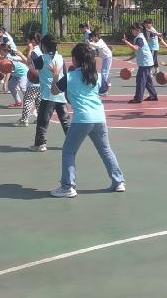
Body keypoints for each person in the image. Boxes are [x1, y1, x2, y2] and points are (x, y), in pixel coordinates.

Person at [49, 43, 126, 198]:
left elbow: (54, 90)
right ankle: (119, 182)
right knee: (105, 150)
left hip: (82, 119)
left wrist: (56, 74)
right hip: (99, 118)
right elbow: (104, 89)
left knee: (69, 152)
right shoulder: (97, 76)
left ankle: (68, 186)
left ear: (75, 60)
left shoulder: (70, 77)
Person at [31, 34, 70, 152]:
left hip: (48, 95)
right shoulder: (61, 58)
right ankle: (72, 142)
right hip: (60, 94)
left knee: (42, 121)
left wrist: (31, 50)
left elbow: (30, 62)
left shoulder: (42, 59)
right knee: (65, 121)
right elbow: (65, 74)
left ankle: (40, 144)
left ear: (44, 46)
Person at [121, 23, 158, 103]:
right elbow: (137, 52)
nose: (132, 31)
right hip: (147, 62)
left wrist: (126, 41)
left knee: (140, 80)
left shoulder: (139, 39)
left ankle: (138, 98)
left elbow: (135, 49)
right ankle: (153, 96)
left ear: (137, 30)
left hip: (145, 63)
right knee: (147, 81)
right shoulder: (140, 37)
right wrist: (128, 59)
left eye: (133, 30)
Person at [15, 33, 42, 127]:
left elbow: (28, 62)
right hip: (40, 79)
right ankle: (40, 119)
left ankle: (24, 120)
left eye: (28, 40)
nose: (27, 42)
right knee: (38, 101)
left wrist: (24, 52)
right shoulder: (40, 50)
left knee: (28, 100)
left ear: (32, 41)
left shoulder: (34, 51)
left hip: (34, 79)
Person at [0, 43, 28, 108]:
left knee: (22, 87)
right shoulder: (5, 57)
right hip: (16, 74)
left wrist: (5, 83)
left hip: (23, 73)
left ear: (4, 51)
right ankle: (18, 102)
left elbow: (8, 72)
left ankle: (29, 102)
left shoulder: (9, 58)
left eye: (0, 50)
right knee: (11, 86)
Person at [87, 30, 113, 95]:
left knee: (104, 73)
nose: (92, 38)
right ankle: (107, 85)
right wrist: (89, 45)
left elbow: (97, 46)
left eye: (92, 37)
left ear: (96, 36)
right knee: (104, 72)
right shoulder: (95, 42)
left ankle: (104, 90)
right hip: (105, 58)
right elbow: (93, 48)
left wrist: (89, 43)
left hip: (108, 57)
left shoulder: (100, 42)